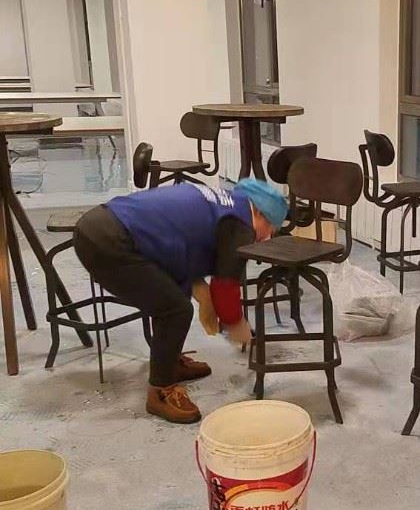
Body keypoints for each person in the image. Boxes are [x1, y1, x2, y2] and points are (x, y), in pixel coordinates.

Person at [74, 179, 288, 425]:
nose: (267, 237)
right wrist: (236, 324)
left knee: (174, 294)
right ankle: (161, 391)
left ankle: (169, 362)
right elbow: (225, 285)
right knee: (175, 310)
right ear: (258, 212)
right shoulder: (241, 226)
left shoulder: (226, 203)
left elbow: (182, 243)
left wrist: (202, 293)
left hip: (103, 225)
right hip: (110, 242)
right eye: (270, 227)